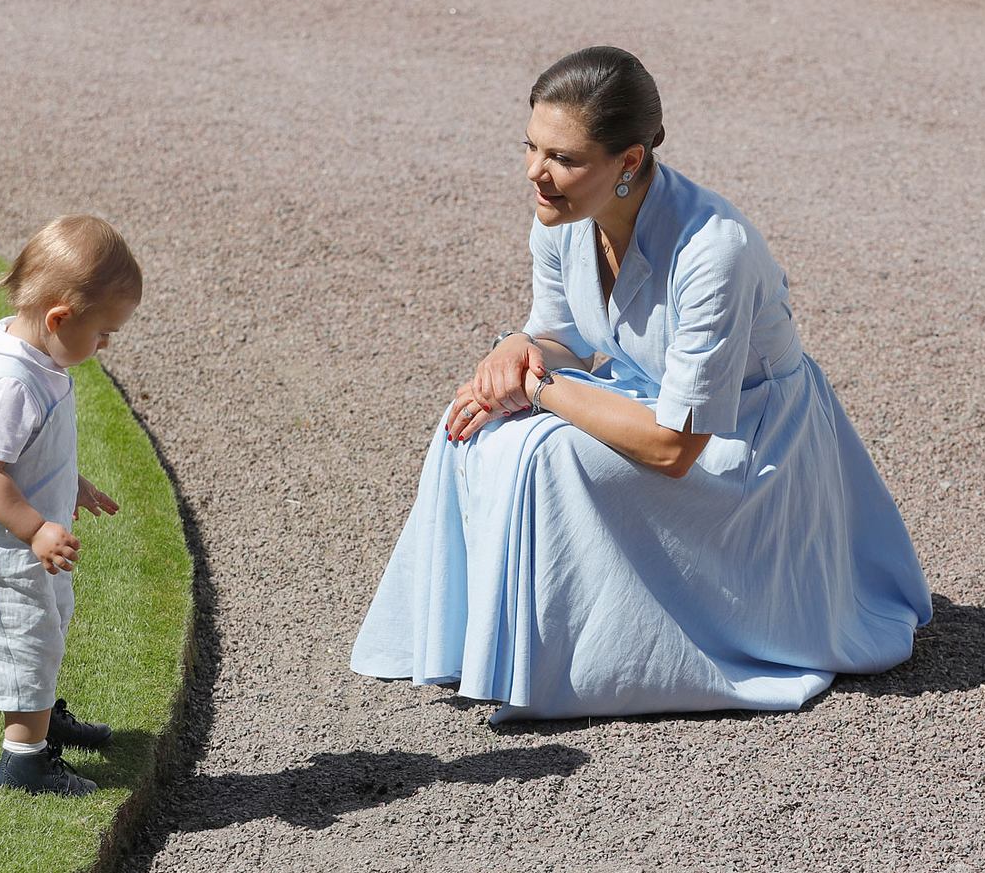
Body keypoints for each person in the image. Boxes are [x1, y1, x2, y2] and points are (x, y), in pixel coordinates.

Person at [350, 46, 933, 723]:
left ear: (628, 161)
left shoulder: (716, 252)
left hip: (746, 451)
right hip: (650, 405)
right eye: (531, 147)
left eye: (564, 158)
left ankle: (575, 666)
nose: (537, 173)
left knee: (544, 452)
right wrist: (516, 349)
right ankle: (478, 648)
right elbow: (564, 336)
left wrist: (536, 390)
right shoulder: (564, 216)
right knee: (472, 424)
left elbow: (673, 448)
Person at [0, 215, 140, 794]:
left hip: (22, 549)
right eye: (103, 334)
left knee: (46, 630)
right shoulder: (12, 383)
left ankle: (45, 718)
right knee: (24, 646)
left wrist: (71, 484)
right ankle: (24, 761)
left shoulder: (39, 361)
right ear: (59, 318)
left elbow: (31, 452)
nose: (103, 346)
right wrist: (35, 529)